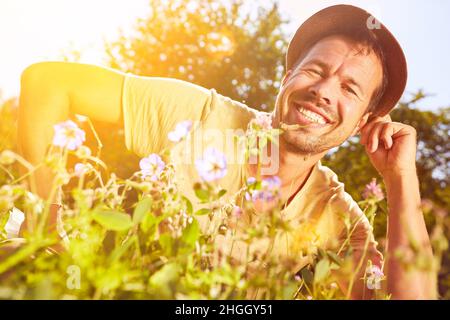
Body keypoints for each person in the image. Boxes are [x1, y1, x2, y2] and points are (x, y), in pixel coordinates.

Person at [18, 5, 436, 299]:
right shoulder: (202, 115)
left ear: (362, 122)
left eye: (349, 88)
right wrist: (45, 229)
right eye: (315, 70)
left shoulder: (338, 218)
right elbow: (49, 82)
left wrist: (401, 183)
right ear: (288, 75)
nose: (323, 92)